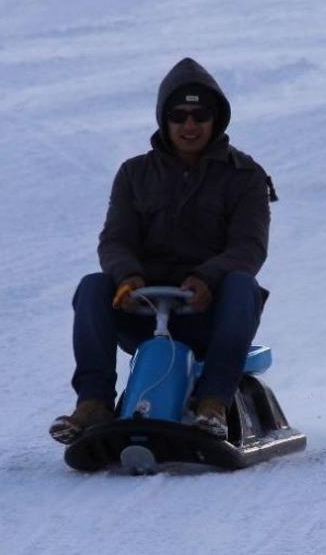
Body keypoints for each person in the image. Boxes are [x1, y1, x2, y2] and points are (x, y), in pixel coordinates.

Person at [50, 57, 274, 444]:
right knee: (93, 286)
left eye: (200, 115)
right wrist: (128, 278)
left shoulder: (245, 176)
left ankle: (213, 403)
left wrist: (207, 278)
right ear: (164, 119)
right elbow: (115, 239)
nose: (190, 125)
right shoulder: (135, 174)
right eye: (179, 115)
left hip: (210, 314)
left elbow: (249, 246)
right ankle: (93, 404)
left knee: (242, 285)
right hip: (144, 310)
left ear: (216, 119)